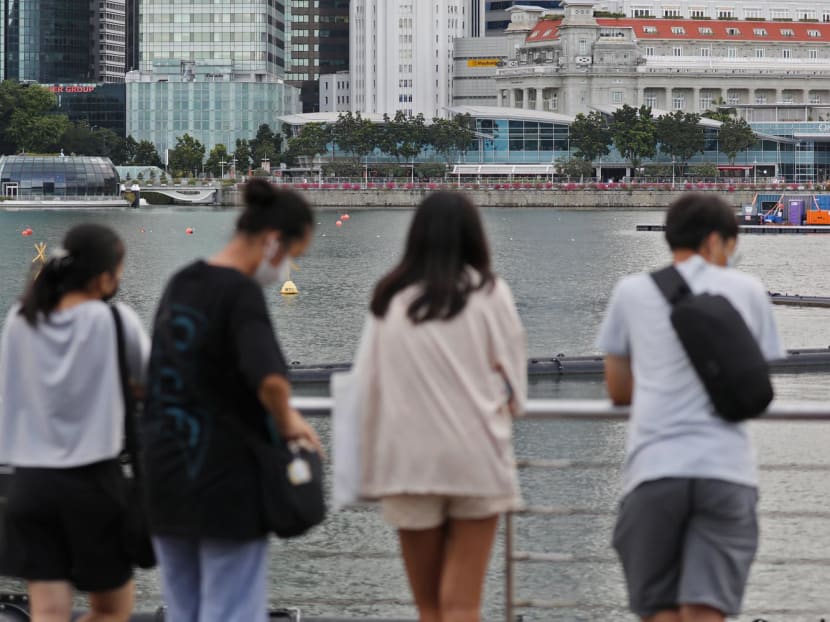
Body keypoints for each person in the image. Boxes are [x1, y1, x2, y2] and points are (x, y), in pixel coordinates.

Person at [597, 193, 784, 622]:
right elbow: (757, 379)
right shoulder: (749, 290)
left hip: (654, 469)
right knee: (706, 609)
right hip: (726, 469)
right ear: (716, 241)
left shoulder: (632, 291)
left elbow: (619, 388)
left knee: (660, 608)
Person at [142, 179, 320, 622]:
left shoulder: (182, 282)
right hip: (222, 482)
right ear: (273, 241)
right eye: (293, 256)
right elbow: (271, 381)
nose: (286, 268)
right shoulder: (240, 293)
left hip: (164, 476)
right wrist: (291, 423)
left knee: (184, 610)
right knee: (232, 611)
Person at [357, 192, 527, 622]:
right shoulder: (490, 291)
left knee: (429, 607)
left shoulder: (390, 298)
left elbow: (367, 384)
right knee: (463, 604)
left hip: (409, 461)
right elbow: (517, 390)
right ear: (475, 237)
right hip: (476, 457)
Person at [0, 224, 149, 622]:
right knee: (111, 609)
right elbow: (152, 384)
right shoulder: (116, 321)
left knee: (48, 614)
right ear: (104, 276)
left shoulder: (19, 318)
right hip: (92, 484)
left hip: (28, 485)